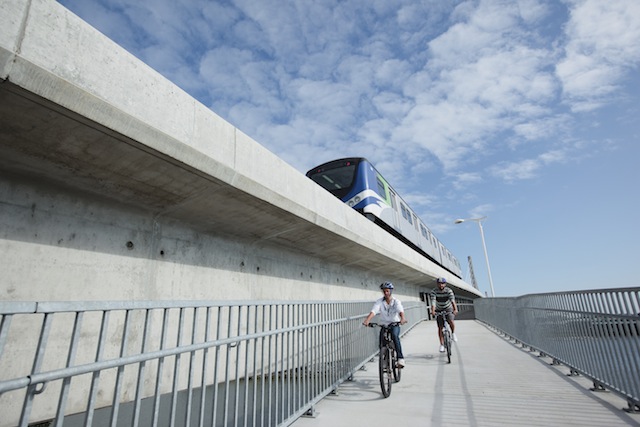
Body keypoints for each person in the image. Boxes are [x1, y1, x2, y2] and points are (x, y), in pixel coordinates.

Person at [363, 281, 407, 368]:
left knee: (395, 336)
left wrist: (402, 318)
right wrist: (367, 320)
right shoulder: (380, 301)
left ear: (391, 291)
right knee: (381, 343)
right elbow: (374, 311)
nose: (385, 293)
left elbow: (400, 310)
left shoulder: (395, 301)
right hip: (384, 325)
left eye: (387, 291)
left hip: (394, 324)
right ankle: (384, 359)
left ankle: (400, 358)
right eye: (384, 291)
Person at [430, 277, 458, 352]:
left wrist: (455, 309)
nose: (441, 285)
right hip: (438, 309)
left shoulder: (449, 291)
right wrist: (433, 311)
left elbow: (452, 300)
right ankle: (442, 345)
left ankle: (453, 333)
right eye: (439, 283)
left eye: (442, 283)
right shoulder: (434, 291)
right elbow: (433, 302)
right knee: (440, 327)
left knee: (451, 320)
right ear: (437, 284)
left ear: (445, 284)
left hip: (448, 308)